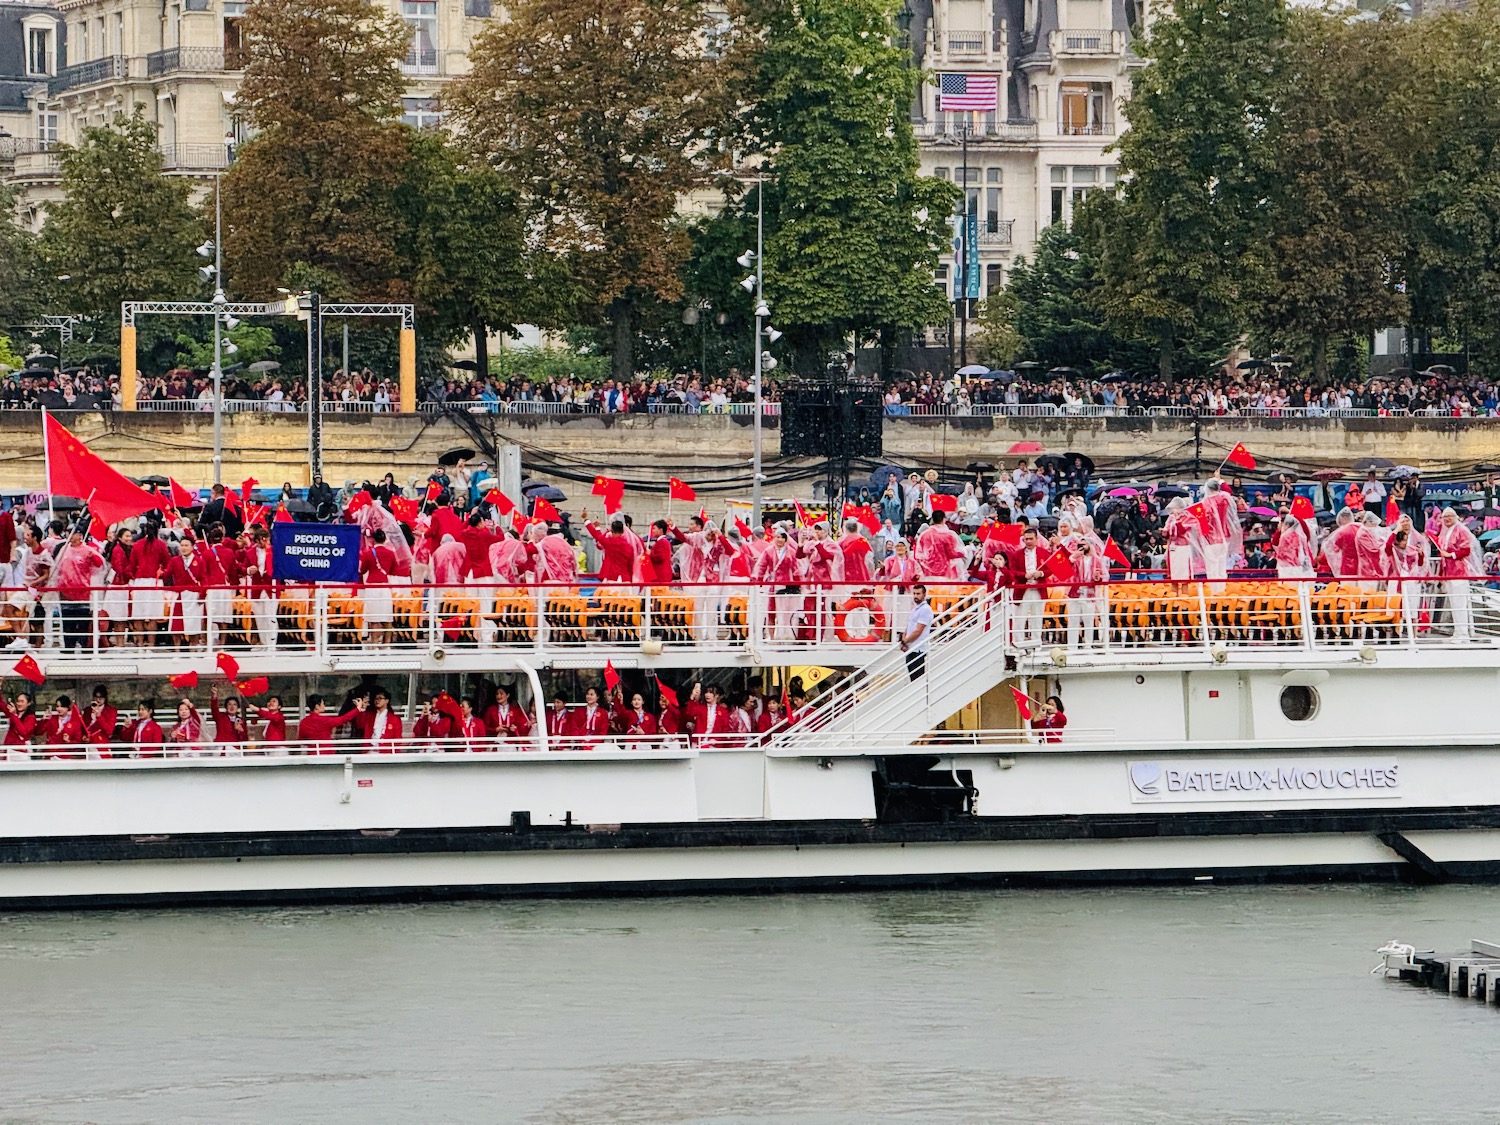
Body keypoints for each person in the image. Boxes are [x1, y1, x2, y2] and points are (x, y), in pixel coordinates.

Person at [1434, 506, 1481, 643]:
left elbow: (1466, 550)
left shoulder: (1461, 530)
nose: (1447, 519)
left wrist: (1450, 555)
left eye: (1450, 516)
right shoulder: (1445, 532)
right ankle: (1458, 632)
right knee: (1454, 603)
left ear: (1456, 517)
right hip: (1448, 572)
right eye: (1445, 517)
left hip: (1459, 571)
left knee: (1460, 603)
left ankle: (1463, 634)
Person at [1009, 527, 1047, 648]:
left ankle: (1036, 645)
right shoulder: (1016, 554)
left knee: (1037, 618)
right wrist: (1024, 575)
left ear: (1036, 539)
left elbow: (1050, 569)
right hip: (1022, 589)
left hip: (1038, 589)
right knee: (1019, 619)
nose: (1029, 541)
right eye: (1026, 539)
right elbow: (1013, 571)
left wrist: (1041, 574)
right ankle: (1018, 644)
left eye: (1031, 539)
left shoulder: (1044, 553)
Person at [296, 693, 365, 752]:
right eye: (323, 704)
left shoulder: (304, 722)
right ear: (317, 706)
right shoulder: (324, 721)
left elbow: (301, 740)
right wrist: (358, 709)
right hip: (327, 754)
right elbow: (343, 719)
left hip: (312, 755)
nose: (324, 706)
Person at [897, 583, 933, 682]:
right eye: (914, 593)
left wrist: (906, 641)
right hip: (911, 648)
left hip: (918, 649)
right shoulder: (915, 609)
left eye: (918, 594)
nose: (915, 596)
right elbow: (909, 627)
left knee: (917, 679)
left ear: (924, 595)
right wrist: (904, 639)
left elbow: (918, 631)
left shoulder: (925, 609)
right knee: (912, 678)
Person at [1274, 515, 1314, 580]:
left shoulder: (1284, 536)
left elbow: (1281, 553)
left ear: (1287, 524)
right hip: (1298, 566)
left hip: (1286, 567)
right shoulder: (1300, 536)